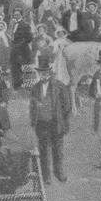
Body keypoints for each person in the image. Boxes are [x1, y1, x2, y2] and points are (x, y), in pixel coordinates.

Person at [29, 56, 71, 184]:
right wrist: (34, 121)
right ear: (39, 73)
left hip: (55, 123)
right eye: (41, 72)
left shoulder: (59, 86)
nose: (44, 74)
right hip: (41, 124)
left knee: (58, 150)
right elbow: (32, 106)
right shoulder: (35, 88)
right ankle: (46, 176)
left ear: (50, 72)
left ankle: (59, 172)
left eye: (46, 72)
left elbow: (67, 105)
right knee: (43, 151)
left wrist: (61, 119)